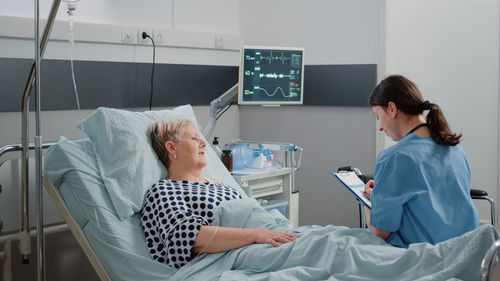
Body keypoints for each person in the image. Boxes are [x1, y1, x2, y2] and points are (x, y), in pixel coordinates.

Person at [142, 119, 295, 269]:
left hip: (271, 236)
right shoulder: (164, 190)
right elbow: (186, 236)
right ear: (172, 148)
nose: (203, 143)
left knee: (314, 239)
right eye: (194, 138)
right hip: (241, 252)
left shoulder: (218, 184)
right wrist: (254, 235)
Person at [363, 74, 479, 248]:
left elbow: (380, 232)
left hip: (423, 257)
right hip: (466, 250)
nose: (379, 127)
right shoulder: (454, 148)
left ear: (392, 109)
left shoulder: (394, 157)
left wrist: (369, 201)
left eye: (378, 116)